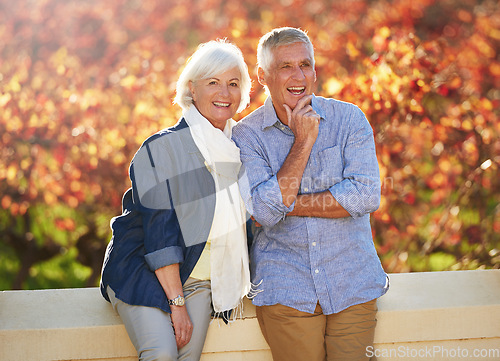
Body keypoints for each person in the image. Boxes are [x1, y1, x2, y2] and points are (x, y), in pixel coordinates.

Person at [232, 27, 389, 361]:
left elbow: (365, 196)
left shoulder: (349, 119)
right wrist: (303, 141)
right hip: (285, 287)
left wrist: (287, 203)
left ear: (315, 71)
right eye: (286, 66)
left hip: (352, 281)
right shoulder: (247, 136)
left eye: (305, 64)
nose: (298, 75)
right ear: (263, 75)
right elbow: (264, 212)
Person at [100, 39, 253, 361]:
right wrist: (176, 303)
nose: (224, 93)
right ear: (192, 89)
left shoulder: (242, 149)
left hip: (200, 281)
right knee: (162, 353)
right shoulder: (162, 149)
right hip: (143, 268)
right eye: (213, 82)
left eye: (233, 84)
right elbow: (160, 233)